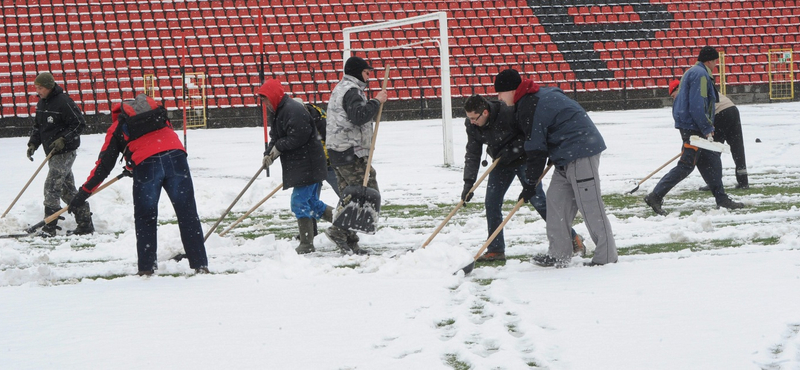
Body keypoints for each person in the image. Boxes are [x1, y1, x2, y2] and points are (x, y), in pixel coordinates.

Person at [67, 94, 208, 276]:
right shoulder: (156, 115)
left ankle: (147, 268)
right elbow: (162, 141)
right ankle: (200, 265)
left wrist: (83, 193)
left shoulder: (118, 126)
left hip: (147, 165)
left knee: (146, 217)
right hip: (176, 156)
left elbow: (103, 166)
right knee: (187, 213)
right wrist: (131, 163)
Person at [495, 68, 617, 267]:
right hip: (563, 155)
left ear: (510, 90)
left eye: (500, 92)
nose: (498, 97)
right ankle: (559, 254)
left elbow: (536, 151)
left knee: (590, 205)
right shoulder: (532, 97)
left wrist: (530, 184)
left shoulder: (529, 105)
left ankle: (606, 257)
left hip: (580, 151)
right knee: (555, 203)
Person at [461, 94, 585, 262]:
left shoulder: (507, 112)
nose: (472, 122)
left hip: (524, 159)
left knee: (538, 200)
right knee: (492, 201)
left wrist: (513, 148)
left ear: (485, 112)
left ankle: (572, 237)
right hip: (501, 162)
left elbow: (529, 134)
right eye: (469, 118)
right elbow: (473, 153)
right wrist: (468, 183)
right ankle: (496, 249)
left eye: (474, 118)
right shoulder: (472, 125)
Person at [645, 46, 744, 215]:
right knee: (686, 166)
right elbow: (699, 104)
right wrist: (706, 128)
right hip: (694, 128)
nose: (715, 66)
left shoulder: (692, 72)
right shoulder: (701, 75)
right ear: (710, 61)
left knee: (711, 161)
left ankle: (722, 199)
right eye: (715, 63)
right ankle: (655, 195)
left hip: (690, 126)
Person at [258, 80, 333, 254]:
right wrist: (268, 154)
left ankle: (306, 244)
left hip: (309, 164)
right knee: (312, 203)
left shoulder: (293, 110)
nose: (265, 104)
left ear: (274, 96)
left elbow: (298, 137)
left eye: (266, 100)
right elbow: (276, 137)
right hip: (302, 164)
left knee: (299, 202)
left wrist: (278, 148)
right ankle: (345, 226)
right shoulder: (278, 112)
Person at [323, 56, 387, 255]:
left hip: (338, 151)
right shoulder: (352, 91)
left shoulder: (341, 88)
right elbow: (358, 116)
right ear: (357, 72)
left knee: (349, 194)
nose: (369, 76)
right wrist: (377, 101)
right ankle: (338, 231)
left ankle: (350, 239)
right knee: (365, 190)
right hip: (349, 151)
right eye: (367, 72)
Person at [27, 72, 94, 237]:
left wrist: (64, 139)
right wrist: (33, 143)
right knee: (66, 190)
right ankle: (85, 222)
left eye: (40, 88)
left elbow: (79, 123)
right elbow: (38, 127)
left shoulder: (64, 102)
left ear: (49, 87)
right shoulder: (42, 103)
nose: (38, 91)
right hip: (51, 152)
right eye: (36, 87)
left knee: (51, 187)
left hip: (65, 151)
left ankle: (49, 226)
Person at [668, 80, 749, 190]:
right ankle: (743, 181)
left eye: (673, 96)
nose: (675, 100)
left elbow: (697, 116)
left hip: (719, 114)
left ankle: (714, 183)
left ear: (677, 89)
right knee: (737, 147)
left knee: (712, 152)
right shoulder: (695, 88)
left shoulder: (686, 95)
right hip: (732, 109)